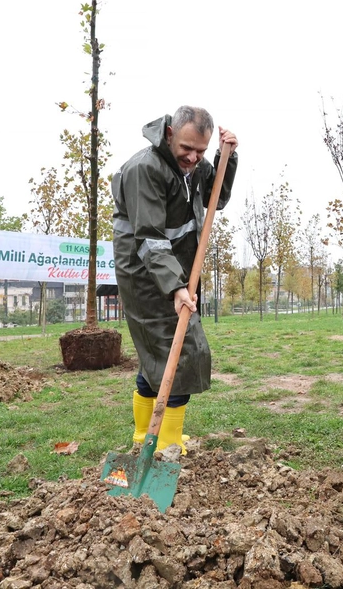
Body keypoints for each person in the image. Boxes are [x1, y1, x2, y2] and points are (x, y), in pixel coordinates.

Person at [111, 106, 238, 454]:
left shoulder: (194, 166)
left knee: (158, 353)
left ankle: (144, 436)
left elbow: (217, 199)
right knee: (181, 351)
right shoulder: (145, 168)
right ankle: (164, 442)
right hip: (144, 271)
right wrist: (176, 287)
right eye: (186, 148)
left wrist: (227, 157)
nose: (193, 157)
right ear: (169, 134)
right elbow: (149, 237)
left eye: (200, 150)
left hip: (174, 269)